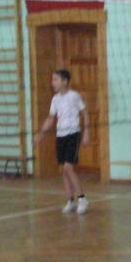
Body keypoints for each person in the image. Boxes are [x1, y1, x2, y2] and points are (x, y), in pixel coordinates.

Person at [33, 68, 90, 214]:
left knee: (68, 168)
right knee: (63, 170)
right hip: (60, 136)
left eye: (55, 80)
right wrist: (40, 135)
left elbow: (85, 113)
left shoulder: (74, 96)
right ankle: (70, 201)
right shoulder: (55, 99)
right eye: (52, 80)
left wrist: (86, 133)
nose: (52, 83)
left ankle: (82, 199)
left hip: (73, 134)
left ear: (64, 81)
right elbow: (51, 119)